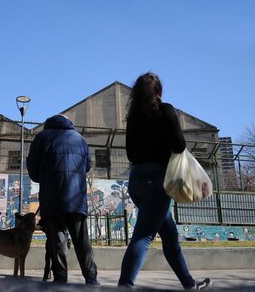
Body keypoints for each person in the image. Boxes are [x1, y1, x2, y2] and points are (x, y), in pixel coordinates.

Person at [118, 72, 211, 290]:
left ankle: (189, 284)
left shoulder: (133, 118)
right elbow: (179, 146)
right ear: (159, 92)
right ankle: (124, 286)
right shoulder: (166, 110)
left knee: (169, 235)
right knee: (143, 237)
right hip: (157, 183)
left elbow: (131, 154)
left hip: (136, 181)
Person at [27, 114, 98, 285]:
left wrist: (43, 176)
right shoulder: (80, 138)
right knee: (82, 240)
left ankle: (60, 279)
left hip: (52, 197)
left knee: (57, 240)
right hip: (76, 197)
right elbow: (87, 166)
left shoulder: (42, 137)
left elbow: (33, 168)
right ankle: (91, 278)